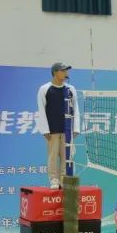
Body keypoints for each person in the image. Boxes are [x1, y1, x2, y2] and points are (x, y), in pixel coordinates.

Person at [36, 62, 82, 190]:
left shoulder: (70, 89)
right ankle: (54, 179)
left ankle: (64, 179)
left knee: (67, 156)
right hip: (52, 130)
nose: (66, 73)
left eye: (66, 71)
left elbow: (76, 109)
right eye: (63, 71)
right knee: (52, 156)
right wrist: (44, 129)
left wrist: (76, 128)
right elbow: (41, 110)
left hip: (67, 130)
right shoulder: (45, 89)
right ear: (55, 72)